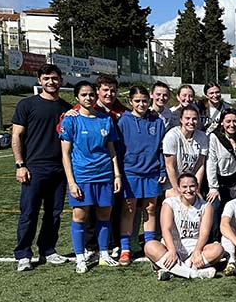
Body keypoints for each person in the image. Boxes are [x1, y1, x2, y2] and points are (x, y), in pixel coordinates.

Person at [11, 64, 73, 271]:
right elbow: (16, 136)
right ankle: (23, 254)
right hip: (34, 168)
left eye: (54, 78)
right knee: (29, 212)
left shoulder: (67, 109)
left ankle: (48, 249)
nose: (51, 82)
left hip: (59, 169)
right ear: (40, 81)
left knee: (54, 213)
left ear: (61, 81)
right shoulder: (27, 105)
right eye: (46, 78)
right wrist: (21, 165)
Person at [59, 81, 122, 273]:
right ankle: (80, 257)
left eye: (91, 95)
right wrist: (71, 181)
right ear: (77, 97)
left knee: (104, 215)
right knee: (80, 216)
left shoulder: (105, 119)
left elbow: (112, 151)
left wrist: (117, 175)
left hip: (104, 175)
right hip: (82, 176)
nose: (88, 98)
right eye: (84, 95)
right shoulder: (71, 120)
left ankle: (104, 254)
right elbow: (65, 154)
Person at [116, 86, 167, 267]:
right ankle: (125, 249)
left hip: (152, 172)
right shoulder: (123, 121)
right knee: (129, 210)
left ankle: (149, 246)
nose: (141, 104)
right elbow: (118, 150)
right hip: (130, 173)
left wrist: (162, 170)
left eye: (144, 100)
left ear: (149, 100)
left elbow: (162, 149)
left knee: (150, 209)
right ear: (131, 102)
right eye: (137, 101)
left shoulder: (157, 121)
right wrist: (119, 174)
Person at [144, 173, 221, 280]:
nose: (188, 190)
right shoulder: (169, 203)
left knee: (218, 249)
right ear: (179, 188)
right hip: (171, 247)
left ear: (197, 187)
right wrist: (171, 250)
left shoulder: (206, 206)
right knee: (150, 246)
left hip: (194, 249)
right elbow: (166, 229)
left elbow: (204, 232)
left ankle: (173, 270)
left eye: (192, 186)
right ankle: (193, 273)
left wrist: (197, 251)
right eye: (184, 187)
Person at [206, 110, 236, 214]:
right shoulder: (214, 138)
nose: (232, 125)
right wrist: (213, 188)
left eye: (235, 121)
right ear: (222, 122)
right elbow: (211, 163)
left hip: (235, 179)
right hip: (217, 179)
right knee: (214, 206)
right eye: (228, 121)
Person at [162, 106, 209, 195]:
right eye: (187, 118)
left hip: (190, 182)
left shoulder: (202, 137)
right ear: (181, 119)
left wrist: (197, 188)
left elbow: (200, 165)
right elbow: (169, 166)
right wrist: (177, 190)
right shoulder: (172, 136)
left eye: (194, 119)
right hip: (172, 182)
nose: (191, 122)